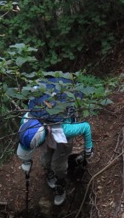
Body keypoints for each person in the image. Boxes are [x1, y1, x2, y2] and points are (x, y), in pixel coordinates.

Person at [16, 78, 93, 206]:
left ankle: (60, 183)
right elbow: (26, 145)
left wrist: (88, 149)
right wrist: (26, 161)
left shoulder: (64, 130)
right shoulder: (27, 120)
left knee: (58, 164)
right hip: (48, 135)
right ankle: (50, 173)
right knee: (46, 160)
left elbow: (86, 127)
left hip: (62, 139)